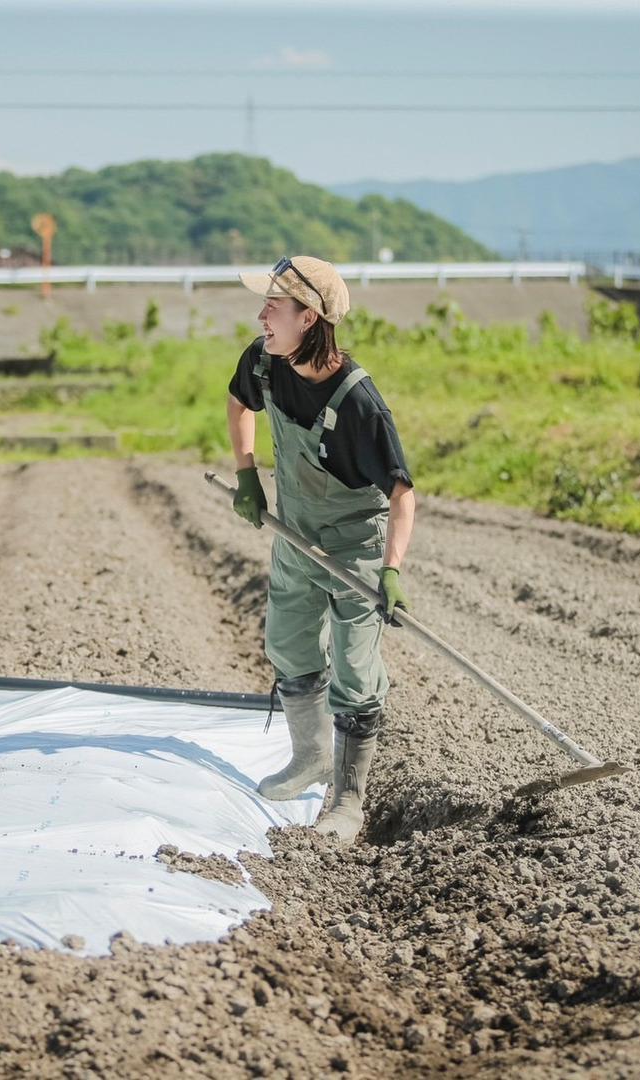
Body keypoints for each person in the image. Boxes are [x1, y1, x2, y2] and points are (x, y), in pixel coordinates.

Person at [227, 255, 416, 841]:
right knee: (287, 643)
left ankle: (349, 799)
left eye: (273, 306)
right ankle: (309, 758)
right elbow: (238, 404)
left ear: (308, 317)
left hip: (354, 546)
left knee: (355, 670)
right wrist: (247, 475)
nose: (261, 317)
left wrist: (391, 571)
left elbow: (403, 494)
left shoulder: (359, 402)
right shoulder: (264, 361)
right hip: (296, 534)